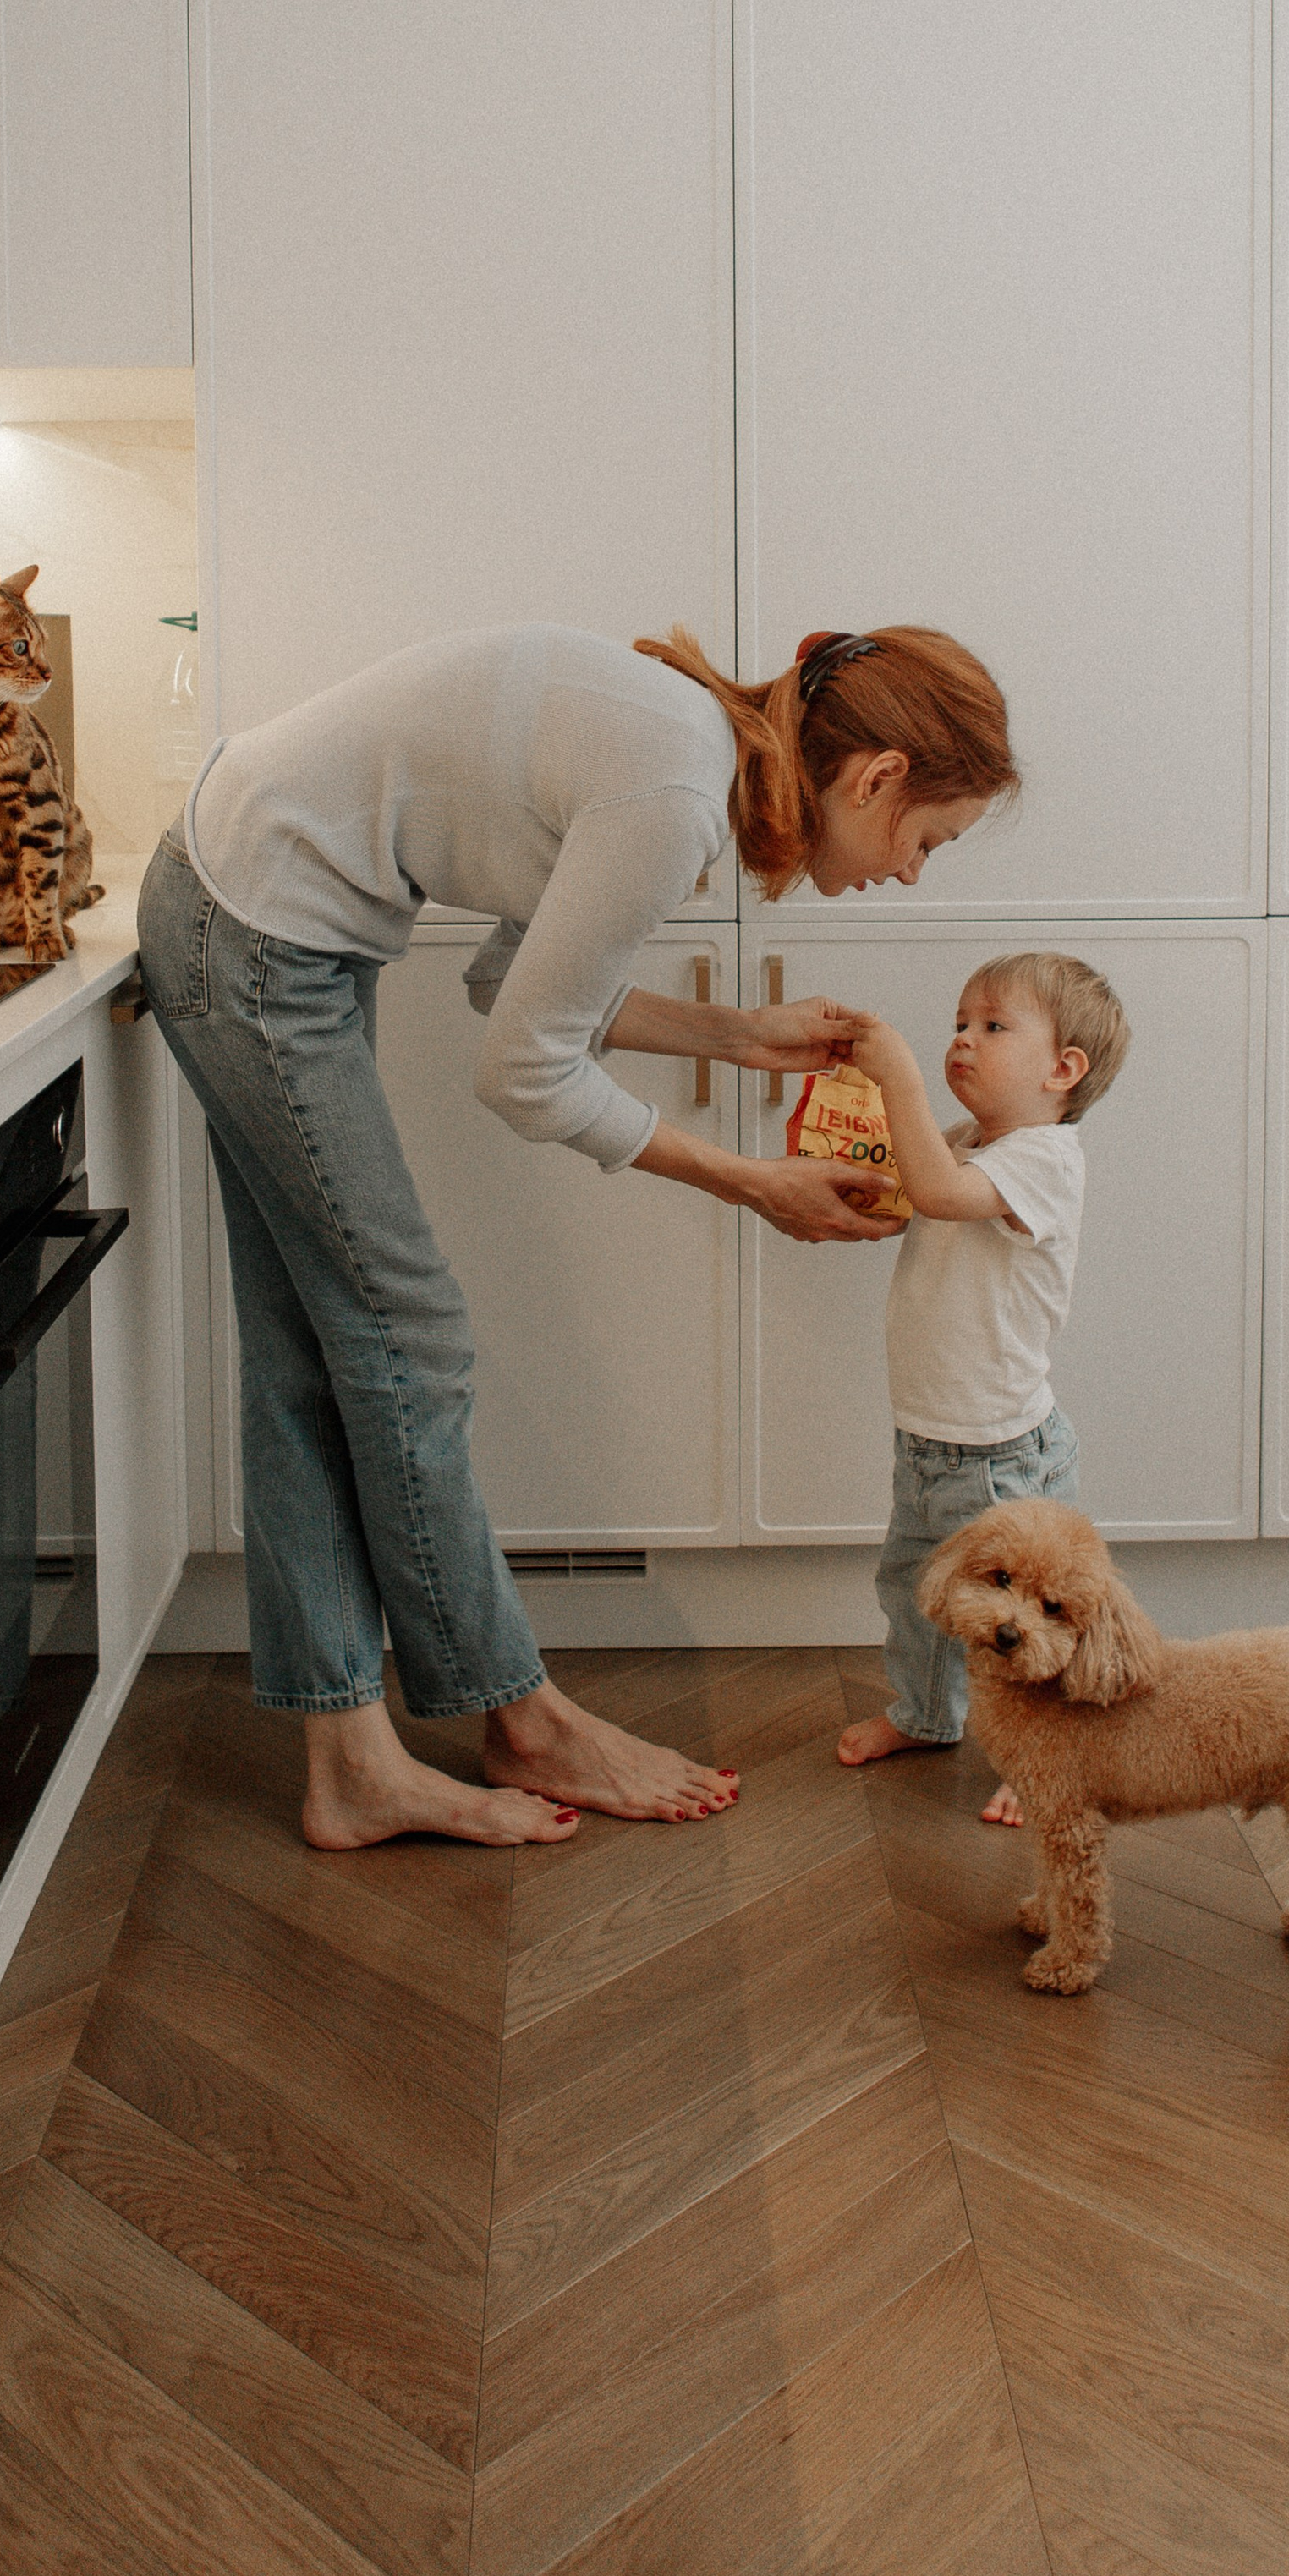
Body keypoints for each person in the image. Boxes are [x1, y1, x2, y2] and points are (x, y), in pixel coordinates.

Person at [140, 618, 1017, 1851]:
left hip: (257, 915)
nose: (915, 872)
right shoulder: (672, 795)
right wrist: (747, 1180)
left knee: (321, 1344)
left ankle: (350, 1763)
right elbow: (526, 1072)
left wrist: (738, 1037)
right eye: (928, 839)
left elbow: (516, 986)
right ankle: (521, 1717)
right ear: (875, 778)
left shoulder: (681, 750)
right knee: (410, 1336)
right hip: (252, 934)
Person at [836, 953, 1130, 1823]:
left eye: (992, 1027)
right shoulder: (972, 1144)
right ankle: (927, 1717)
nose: (961, 1039)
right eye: (958, 1024)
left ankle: (1049, 1755)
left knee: (1020, 1629)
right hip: (928, 1442)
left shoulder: (1045, 1156)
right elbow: (912, 1192)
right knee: (916, 1596)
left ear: (1061, 1070)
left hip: (1002, 1458)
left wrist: (894, 1078)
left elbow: (932, 1192)